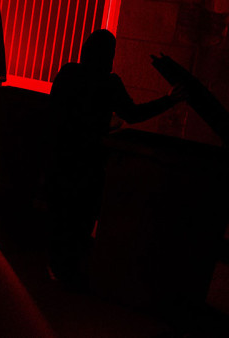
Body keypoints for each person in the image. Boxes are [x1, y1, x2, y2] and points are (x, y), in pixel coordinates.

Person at [47, 29, 186, 288]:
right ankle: (70, 269)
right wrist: (168, 101)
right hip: (90, 159)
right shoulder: (109, 83)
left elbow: (55, 110)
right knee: (83, 214)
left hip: (63, 154)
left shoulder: (68, 73)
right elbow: (132, 114)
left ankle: (57, 264)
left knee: (63, 211)